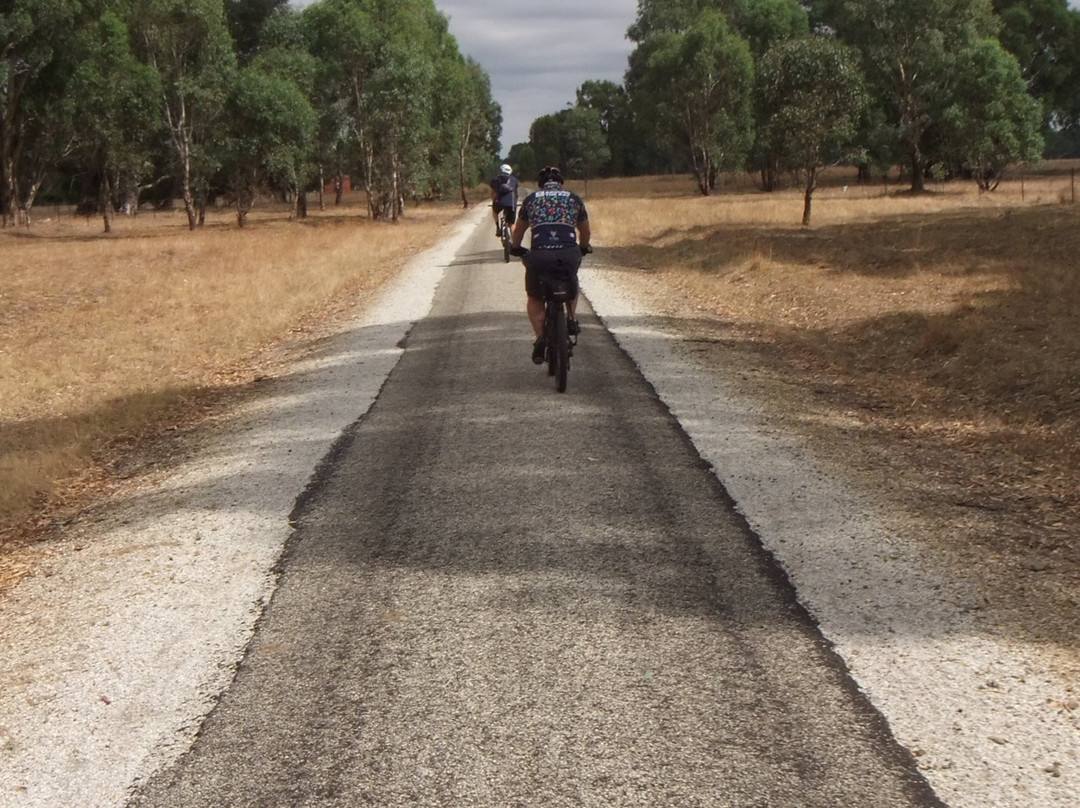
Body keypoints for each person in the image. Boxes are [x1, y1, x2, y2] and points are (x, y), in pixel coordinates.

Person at [510, 166, 591, 364]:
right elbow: (585, 231)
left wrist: (516, 248)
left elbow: (519, 231)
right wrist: (582, 248)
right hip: (568, 254)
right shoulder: (573, 198)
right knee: (572, 283)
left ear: (540, 184)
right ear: (561, 183)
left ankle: (541, 338)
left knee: (535, 296)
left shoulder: (531, 200)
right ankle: (570, 319)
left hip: (540, 256)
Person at [489, 163, 519, 238]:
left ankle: (498, 227)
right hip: (511, 203)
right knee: (511, 224)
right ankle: (515, 245)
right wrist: (515, 202)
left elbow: (492, 192)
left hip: (499, 202)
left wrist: (493, 201)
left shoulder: (495, 179)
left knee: (494, 211)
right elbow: (516, 193)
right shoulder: (514, 180)